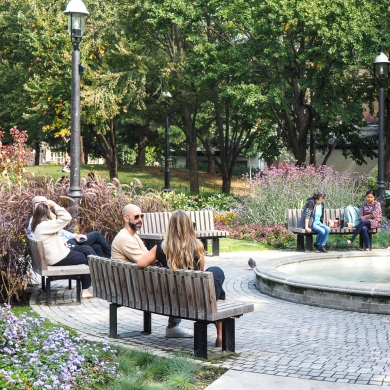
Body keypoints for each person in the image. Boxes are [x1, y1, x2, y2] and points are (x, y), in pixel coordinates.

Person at [137, 210, 226, 347]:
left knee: (213, 278)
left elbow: (140, 263)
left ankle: (173, 324)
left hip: (173, 298)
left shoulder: (161, 247)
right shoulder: (197, 246)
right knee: (216, 274)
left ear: (170, 227)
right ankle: (220, 334)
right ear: (189, 226)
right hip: (196, 299)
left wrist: (157, 261)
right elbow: (201, 272)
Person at [111, 204, 193, 338]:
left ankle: (174, 326)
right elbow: (144, 260)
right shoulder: (125, 239)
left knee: (174, 279)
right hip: (133, 289)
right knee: (177, 283)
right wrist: (157, 257)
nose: (140, 219)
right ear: (126, 218)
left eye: (141, 216)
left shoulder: (132, 236)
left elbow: (148, 256)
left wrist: (155, 257)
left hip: (131, 284)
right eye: (136, 217)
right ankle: (173, 326)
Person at [30, 199, 95, 299]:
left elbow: (50, 237)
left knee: (87, 249)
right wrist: (55, 205)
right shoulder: (46, 225)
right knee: (87, 258)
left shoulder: (38, 224)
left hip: (56, 254)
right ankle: (86, 290)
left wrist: (61, 242)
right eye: (50, 211)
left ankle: (96, 277)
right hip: (57, 258)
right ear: (46, 212)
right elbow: (66, 217)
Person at [29, 196, 111, 258]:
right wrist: (61, 242)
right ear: (35, 206)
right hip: (66, 246)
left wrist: (75, 236)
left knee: (97, 247)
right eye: (45, 203)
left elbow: (60, 231)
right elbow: (39, 237)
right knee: (96, 235)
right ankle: (112, 261)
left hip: (66, 243)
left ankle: (100, 274)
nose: (47, 206)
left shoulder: (42, 220)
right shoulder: (38, 222)